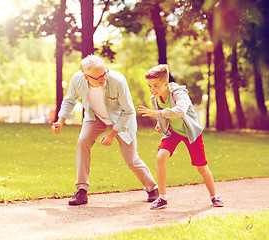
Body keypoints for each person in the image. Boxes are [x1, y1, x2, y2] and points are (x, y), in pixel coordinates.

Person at [52, 55, 158, 206]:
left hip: (121, 120)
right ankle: (81, 191)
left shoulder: (117, 80)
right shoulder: (77, 79)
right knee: (83, 141)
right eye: (98, 77)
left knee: (131, 159)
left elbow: (128, 111)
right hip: (95, 117)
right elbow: (69, 100)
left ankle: (153, 188)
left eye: (104, 73)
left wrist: (112, 134)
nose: (103, 78)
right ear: (86, 76)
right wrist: (60, 121)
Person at [138, 64, 224, 210]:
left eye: (156, 86)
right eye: (149, 86)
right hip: (173, 132)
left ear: (166, 83)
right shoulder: (155, 97)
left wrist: (158, 114)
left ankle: (214, 196)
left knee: (201, 168)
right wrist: (160, 124)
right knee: (161, 157)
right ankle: (162, 198)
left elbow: (180, 111)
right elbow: (163, 115)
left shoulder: (179, 93)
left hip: (191, 133)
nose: (152, 90)